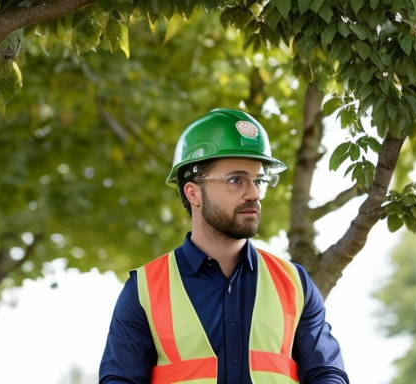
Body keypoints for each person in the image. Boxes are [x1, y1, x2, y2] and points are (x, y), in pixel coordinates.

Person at [99, 109, 350, 384]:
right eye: (236, 180)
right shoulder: (143, 291)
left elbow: (327, 373)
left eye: (259, 180)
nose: (254, 193)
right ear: (193, 193)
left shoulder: (295, 284)